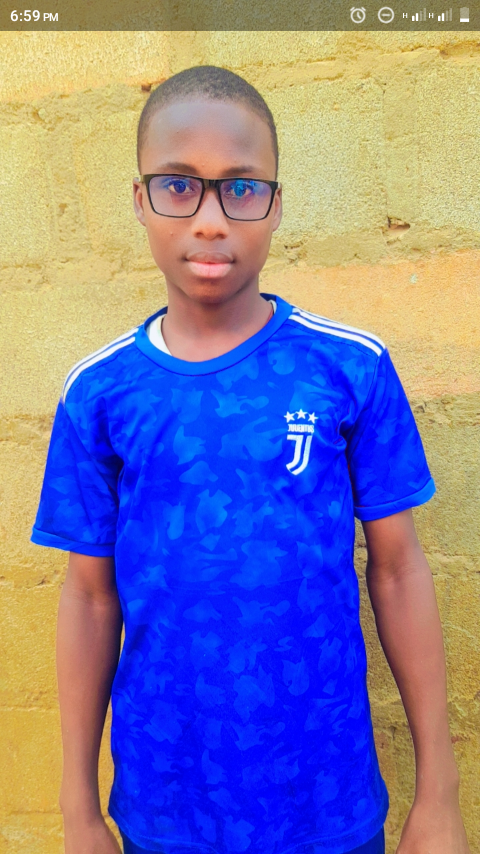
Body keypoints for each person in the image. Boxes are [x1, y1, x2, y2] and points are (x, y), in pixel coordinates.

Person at [31, 66, 470, 854]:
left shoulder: (349, 368)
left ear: (276, 203)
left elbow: (399, 570)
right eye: (178, 186)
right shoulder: (98, 393)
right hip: (165, 809)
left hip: (327, 807)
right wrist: (78, 811)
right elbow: (91, 601)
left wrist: (439, 794)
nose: (210, 221)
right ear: (140, 199)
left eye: (241, 188)